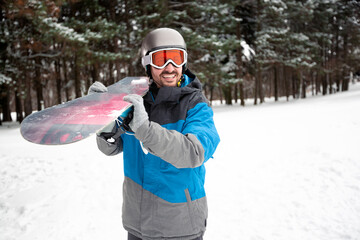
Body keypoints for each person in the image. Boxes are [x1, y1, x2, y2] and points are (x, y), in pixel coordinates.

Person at [89, 28, 220, 240]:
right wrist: (104, 124)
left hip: (180, 227)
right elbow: (111, 147)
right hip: (137, 224)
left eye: (176, 59)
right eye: (161, 60)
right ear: (148, 64)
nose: (170, 68)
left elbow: (194, 152)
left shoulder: (196, 105)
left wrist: (147, 131)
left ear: (184, 62)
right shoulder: (133, 100)